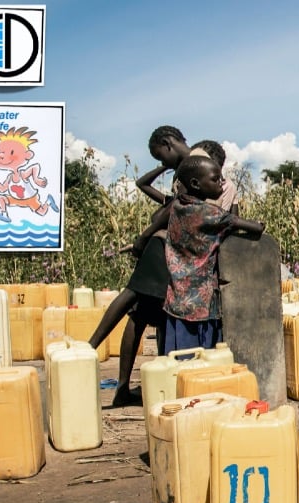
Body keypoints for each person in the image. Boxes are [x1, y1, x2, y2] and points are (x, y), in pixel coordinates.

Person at [88, 125, 193, 407]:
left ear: (168, 143)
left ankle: (96, 354)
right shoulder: (182, 169)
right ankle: (107, 368)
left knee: (137, 307)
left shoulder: (193, 164)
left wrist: (144, 236)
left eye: (161, 156)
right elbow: (148, 188)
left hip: (163, 245)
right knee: (136, 306)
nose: (162, 162)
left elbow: (175, 208)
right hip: (162, 245)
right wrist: (166, 166)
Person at [162, 154, 264, 352]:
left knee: (178, 359)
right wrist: (259, 224)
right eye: (215, 179)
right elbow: (254, 227)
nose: (221, 184)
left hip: (176, 298)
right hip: (201, 304)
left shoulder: (178, 206)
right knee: (202, 358)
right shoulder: (210, 213)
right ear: (195, 184)